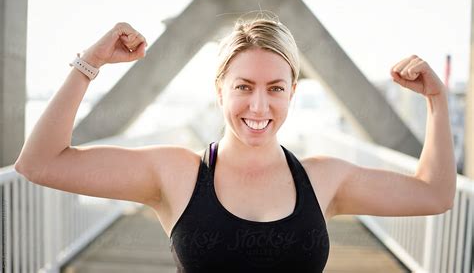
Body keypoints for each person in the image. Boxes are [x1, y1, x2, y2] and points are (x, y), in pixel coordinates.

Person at [14, 17, 456, 273]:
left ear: (293, 93)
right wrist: (89, 63)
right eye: (243, 86)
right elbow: (40, 162)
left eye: (276, 88)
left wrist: (437, 101)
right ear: (219, 89)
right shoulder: (177, 173)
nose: (259, 105)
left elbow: (433, 194)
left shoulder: (324, 179)